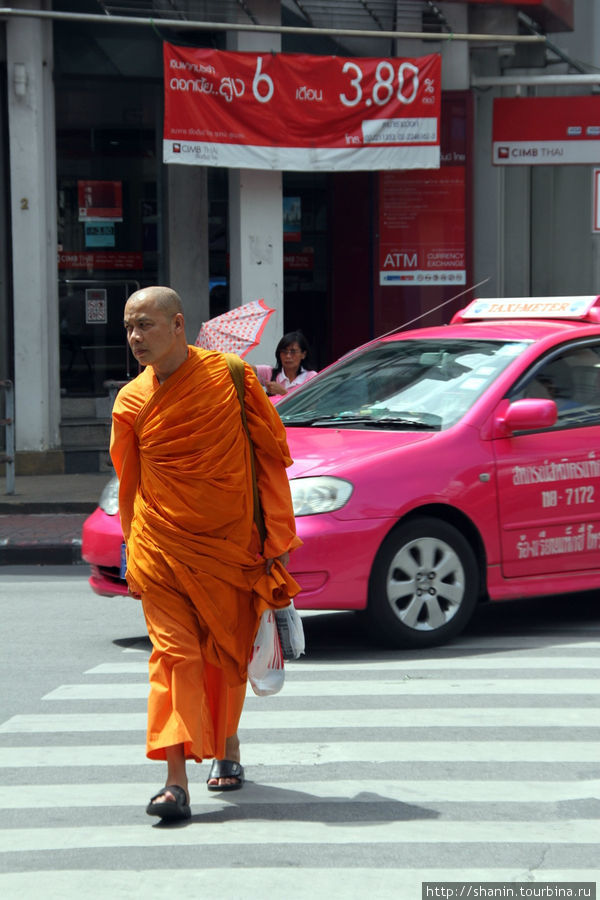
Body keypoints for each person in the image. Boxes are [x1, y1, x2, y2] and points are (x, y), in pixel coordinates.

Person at [110, 285, 301, 822]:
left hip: (230, 546)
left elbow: (269, 462)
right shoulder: (130, 400)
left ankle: (228, 743)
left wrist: (274, 544)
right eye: (128, 328)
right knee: (175, 657)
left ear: (177, 324)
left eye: (145, 325)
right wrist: (131, 545)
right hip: (160, 545)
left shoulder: (233, 378)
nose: (134, 338)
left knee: (224, 652)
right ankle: (174, 781)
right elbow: (129, 482)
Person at [254, 330, 318, 397]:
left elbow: (312, 405)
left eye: (293, 352)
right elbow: (245, 368)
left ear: (303, 354)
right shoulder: (269, 372)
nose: (288, 356)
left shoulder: (311, 377)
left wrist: (283, 392)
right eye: (284, 351)